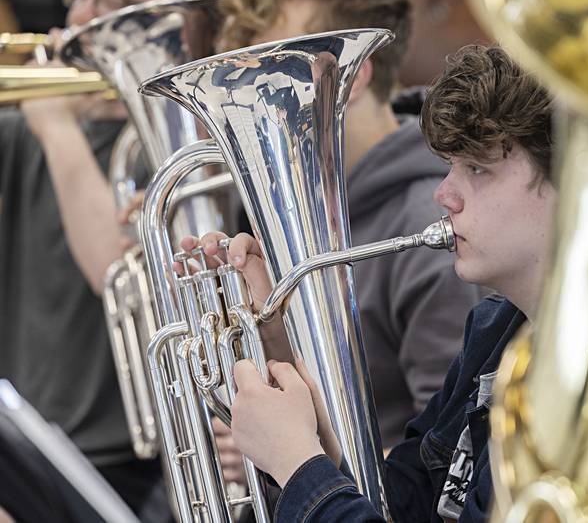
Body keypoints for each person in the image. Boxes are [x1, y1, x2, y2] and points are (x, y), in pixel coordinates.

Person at [193, 44, 555, 521]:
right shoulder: (492, 329)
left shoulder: (577, 386)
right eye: (451, 166)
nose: (443, 194)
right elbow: (398, 503)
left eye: (477, 169)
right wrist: (275, 341)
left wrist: (300, 467)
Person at [201, 0, 488, 452]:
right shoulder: (287, 215)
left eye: (272, 78)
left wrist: (295, 460)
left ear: (350, 79)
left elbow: (453, 459)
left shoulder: (433, 225)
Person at [0, 0, 198, 518]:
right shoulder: (28, 129)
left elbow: (119, 275)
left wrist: (58, 131)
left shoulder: (187, 139)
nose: (82, 18)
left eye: (114, 0)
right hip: (33, 443)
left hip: (148, 468)